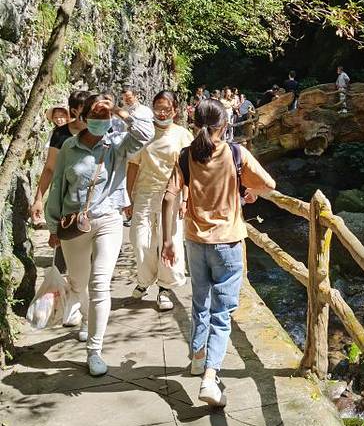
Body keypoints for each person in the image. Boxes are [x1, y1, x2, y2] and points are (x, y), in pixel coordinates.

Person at [161, 99, 276, 407]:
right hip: (227, 242)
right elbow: (269, 183)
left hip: (194, 241)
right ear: (225, 125)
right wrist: (250, 191)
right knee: (222, 313)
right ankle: (210, 378)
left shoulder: (186, 156)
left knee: (200, 301)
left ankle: (198, 357)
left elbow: (169, 197)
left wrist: (167, 241)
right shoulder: (236, 153)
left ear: (194, 124)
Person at [45, 93, 154, 377]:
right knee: (78, 282)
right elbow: (57, 186)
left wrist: (118, 111)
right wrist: (53, 226)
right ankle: (85, 318)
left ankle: (94, 350)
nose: (101, 121)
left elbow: (146, 133)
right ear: (83, 118)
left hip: (108, 219)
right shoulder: (69, 146)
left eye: (105, 117)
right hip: (74, 223)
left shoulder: (117, 144)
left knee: (100, 284)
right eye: (96, 116)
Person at [125, 91, 192, 311]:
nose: (162, 113)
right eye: (158, 108)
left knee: (169, 240)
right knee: (139, 240)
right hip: (144, 193)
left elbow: (189, 170)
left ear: (175, 110)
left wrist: (185, 199)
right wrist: (127, 197)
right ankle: (145, 280)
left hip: (171, 195)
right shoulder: (143, 133)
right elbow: (133, 165)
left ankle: (165, 287)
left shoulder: (183, 135)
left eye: (166, 109)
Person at [31, 92, 88, 226]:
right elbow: (50, 168)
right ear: (74, 111)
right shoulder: (60, 134)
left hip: (96, 200)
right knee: (65, 235)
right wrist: (38, 199)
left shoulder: (102, 132)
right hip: (66, 198)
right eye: (86, 108)